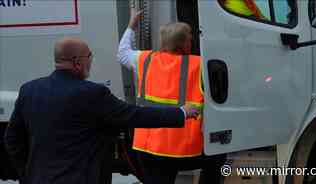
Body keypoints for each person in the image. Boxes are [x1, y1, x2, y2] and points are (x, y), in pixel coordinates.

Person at [3, 37, 200, 184]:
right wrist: (181, 112)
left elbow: (12, 139)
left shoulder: (30, 90)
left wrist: (26, 174)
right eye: (90, 56)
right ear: (77, 62)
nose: (91, 61)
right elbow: (134, 115)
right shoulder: (91, 93)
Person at [117, 8, 226, 184]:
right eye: (190, 38)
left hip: (148, 147)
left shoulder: (144, 59)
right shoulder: (200, 64)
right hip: (187, 150)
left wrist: (131, 25)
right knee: (218, 155)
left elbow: (122, 53)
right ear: (184, 44)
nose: (192, 41)